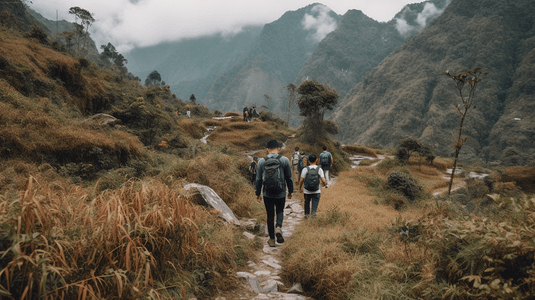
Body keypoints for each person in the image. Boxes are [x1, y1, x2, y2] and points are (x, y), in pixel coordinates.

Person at [255, 140, 293, 247]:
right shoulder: (284, 160)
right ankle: (279, 227)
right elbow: (289, 178)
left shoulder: (262, 161)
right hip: (281, 192)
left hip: (267, 193)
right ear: (279, 148)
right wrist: (290, 191)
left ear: (267, 149)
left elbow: (258, 179)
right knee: (280, 210)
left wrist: (258, 193)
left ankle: (271, 240)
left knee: (270, 215)